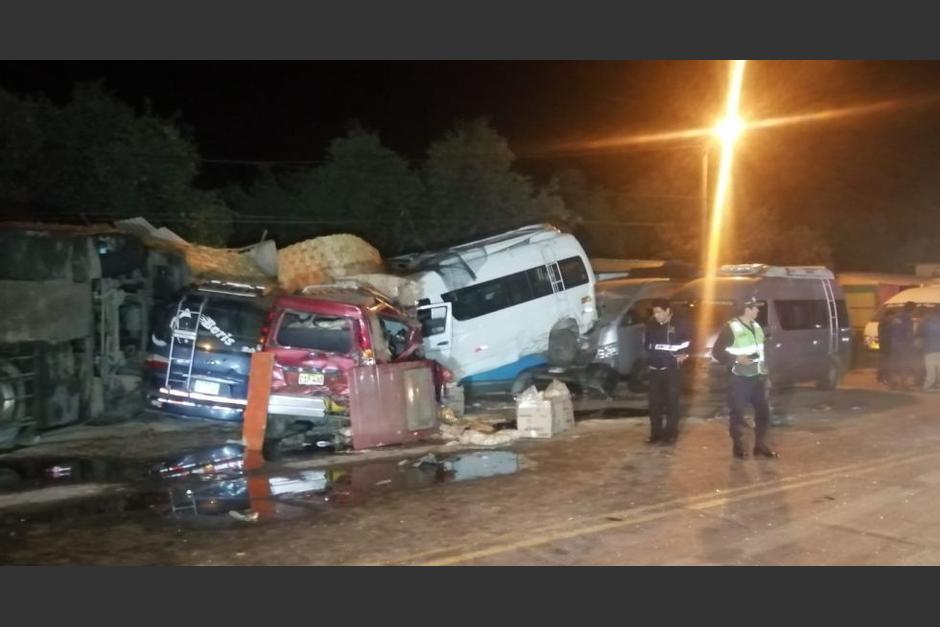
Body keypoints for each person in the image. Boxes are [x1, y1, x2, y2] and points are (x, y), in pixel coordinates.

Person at [711, 297, 778, 459]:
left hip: (758, 377)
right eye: (754, 308)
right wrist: (736, 359)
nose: (757, 310)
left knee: (763, 412)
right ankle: (738, 447)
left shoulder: (756, 327)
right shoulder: (731, 328)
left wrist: (766, 374)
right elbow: (717, 352)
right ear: (746, 309)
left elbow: (761, 353)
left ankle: (759, 444)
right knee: (738, 413)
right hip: (739, 378)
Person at [643, 298, 690, 445]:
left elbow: (690, 341)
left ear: (668, 311)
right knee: (654, 404)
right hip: (654, 369)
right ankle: (655, 434)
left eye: (658, 312)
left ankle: (671, 434)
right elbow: (647, 344)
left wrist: (685, 354)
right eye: (654, 312)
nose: (656, 315)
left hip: (671, 370)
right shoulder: (651, 323)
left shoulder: (679, 323)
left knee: (672, 403)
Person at [889, 302, 916, 390]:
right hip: (904, 344)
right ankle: (904, 384)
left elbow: (892, 329)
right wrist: (912, 343)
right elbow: (909, 333)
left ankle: (893, 383)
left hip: (894, 343)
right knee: (904, 364)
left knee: (895, 363)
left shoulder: (896, 316)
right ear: (911, 309)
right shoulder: (907, 318)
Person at [920, 308, 940, 391]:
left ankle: (928, 386)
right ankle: (932, 385)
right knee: (935, 370)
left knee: (931, 370)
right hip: (935, 350)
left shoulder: (926, 325)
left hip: (929, 351)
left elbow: (921, 334)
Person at [877, 309, 895, 385]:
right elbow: (883, 334)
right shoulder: (884, 323)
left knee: (885, 363)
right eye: (892, 316)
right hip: (885, 346)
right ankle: (881, 378)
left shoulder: (886, 323)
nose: (893, 318)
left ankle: (884, 378)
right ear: (888, 316)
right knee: (884, 363)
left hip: (887, 346)